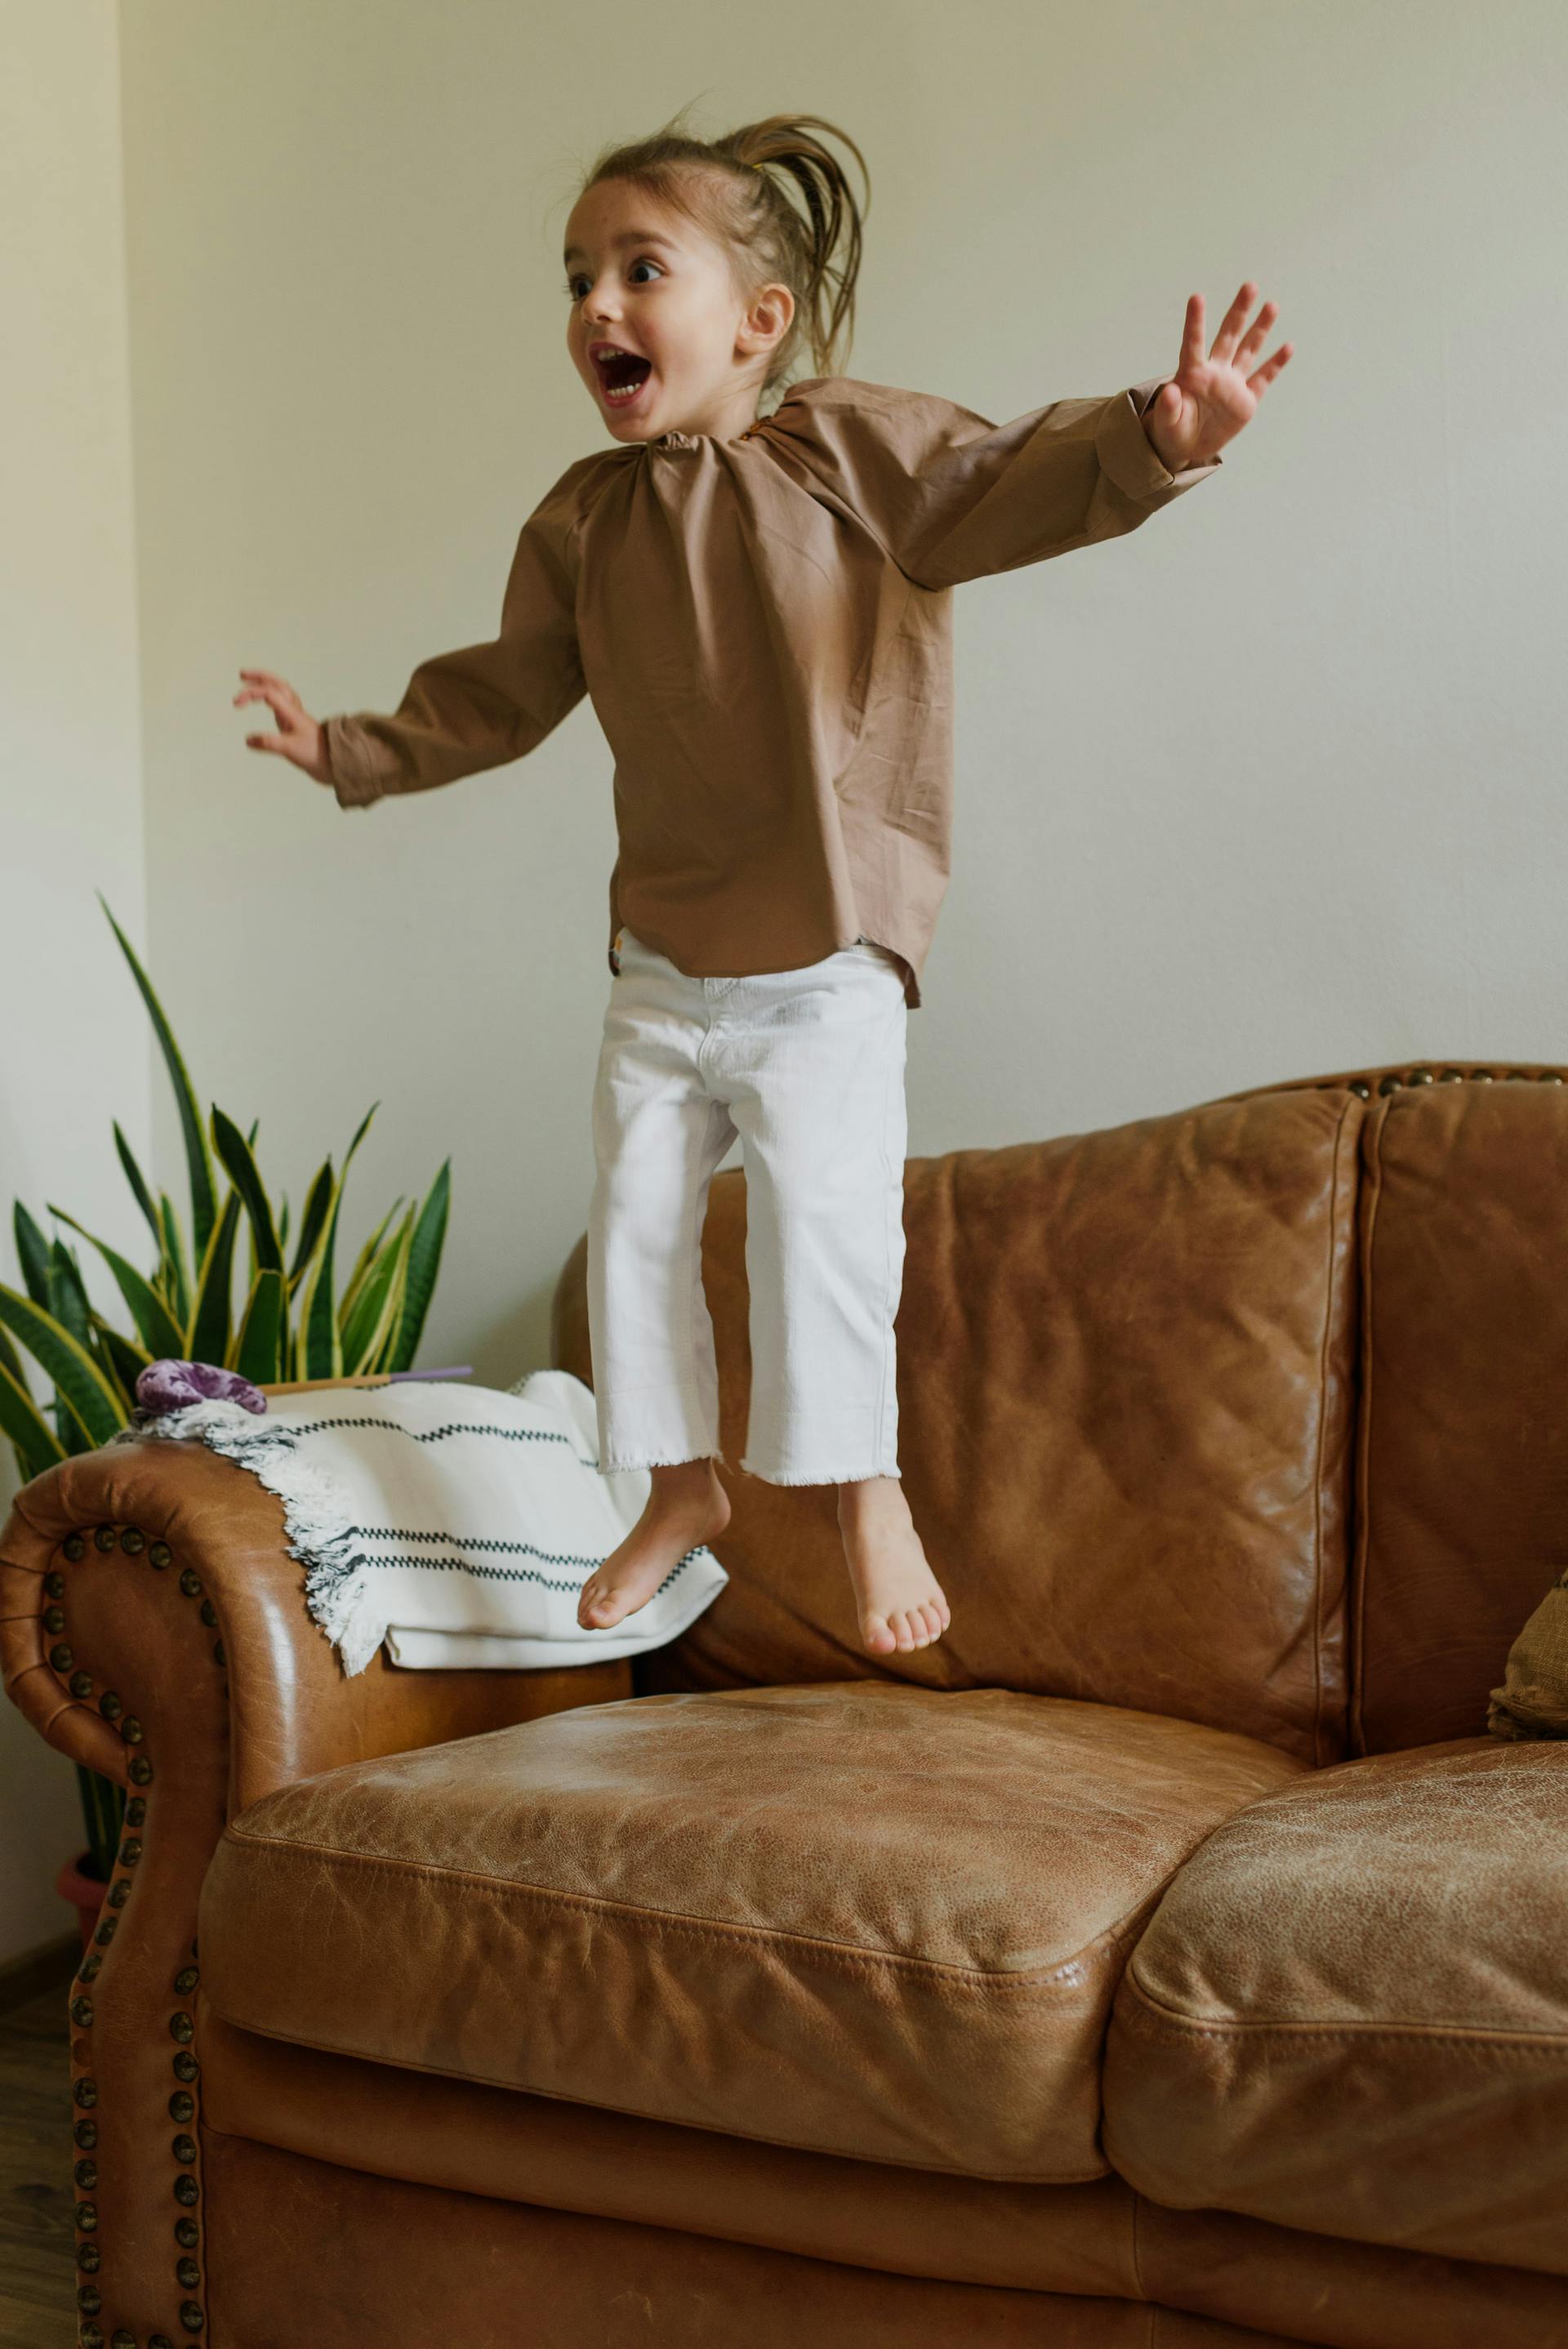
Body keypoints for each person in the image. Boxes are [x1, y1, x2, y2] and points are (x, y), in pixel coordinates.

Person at [234, 109, 1291, 1661]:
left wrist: (1158, 437)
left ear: (758, 321)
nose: (597, 304)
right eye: (578, 277)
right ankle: (679, 1484)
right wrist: (348, 749)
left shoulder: (852, 455)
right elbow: (497, 696)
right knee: (641, 1231)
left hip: (827, 961)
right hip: (663, 964)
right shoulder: (582, 524)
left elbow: (1011, 477)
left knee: (823, 1232)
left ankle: (864, 1491)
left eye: (638, 268)